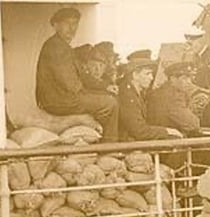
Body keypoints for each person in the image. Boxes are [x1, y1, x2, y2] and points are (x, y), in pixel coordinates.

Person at [35, 7, 119, 142]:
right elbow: (70, 84)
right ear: (56, 25)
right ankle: (109, 146)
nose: (72, 28)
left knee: (105, 96)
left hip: (62, 97)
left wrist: (105, 86)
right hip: (58, 100)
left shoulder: (63, 46)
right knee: (111, 103)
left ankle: (98, 137)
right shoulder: (56, 47)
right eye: (67, 24)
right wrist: (93, 94)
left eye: (75, 24)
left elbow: (82, 76)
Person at [118, 57, 182, 141]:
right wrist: (167, 131)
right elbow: (139, 131)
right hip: (127, 145)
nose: (151, 78)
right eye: (147, 74)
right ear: (135, 75)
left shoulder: (135, 93)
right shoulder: (127, 96)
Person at [147, 61, 202, 138]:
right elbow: (192, 124)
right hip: (169, 142)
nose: (189, 82)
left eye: (190, 78)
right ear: (173, 79)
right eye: (185, 78)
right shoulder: (172, 96)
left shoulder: (163, 91)